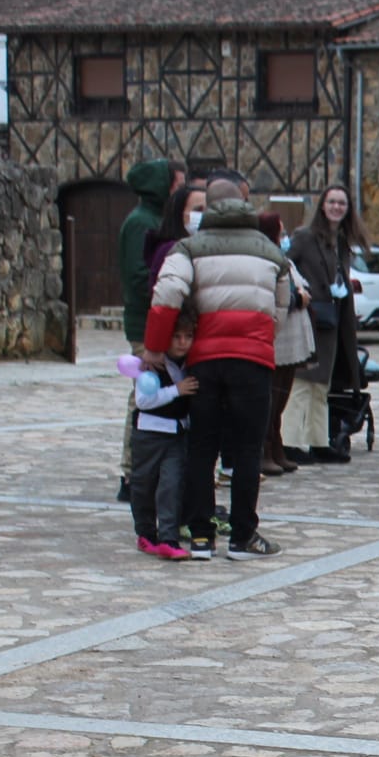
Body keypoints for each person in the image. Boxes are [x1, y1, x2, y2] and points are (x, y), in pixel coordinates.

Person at [144, 177, 292, 561]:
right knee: (246, 450)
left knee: (201, 448)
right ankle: (243, 536)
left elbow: (166, 296)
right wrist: (261, 337)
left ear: (207, 208)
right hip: (253, 362)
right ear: (245, 204)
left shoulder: (189, 248)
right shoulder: (271, 251)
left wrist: (156, 347)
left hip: (204, 363)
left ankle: (200, 537)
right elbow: (281, 306)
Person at [115, 158, 187, 501]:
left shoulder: (158, 220)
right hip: (145, 320)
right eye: (177, 183)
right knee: (143, 394)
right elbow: (138, 275)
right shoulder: (140, 222)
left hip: (163, 318)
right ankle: (132, 472)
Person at [283, 184, 366, 465]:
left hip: (333, 322)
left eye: (341, 203)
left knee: (322, 385)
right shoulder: (305, 237)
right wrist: (299, 293)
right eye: (332, 202)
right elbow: (285, 266)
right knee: (302, 383)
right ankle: (290, 442)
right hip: (310, 319)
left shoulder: (341, 241)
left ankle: (318, 440)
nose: (336, 207)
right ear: (322, 205)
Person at [128, 312, 198, 561]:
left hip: (177, 434)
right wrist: (175, 391)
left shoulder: (190, 364)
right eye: (176, 337)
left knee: (171, 484)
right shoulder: (151, 365)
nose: (182, 343)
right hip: (149, 433)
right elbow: (143, 400)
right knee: (144, 484)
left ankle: (169, 537)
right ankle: (146, 533)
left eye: (188, 337)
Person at [257, 210, 314, 478]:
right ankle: (266, 449)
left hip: (292, 341)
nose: (285, 237)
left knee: (281, 398)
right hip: (278, 341)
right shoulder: (266, 259)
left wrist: (303, 294)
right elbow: (278, 295)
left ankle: (276, 446)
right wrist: (298, 298)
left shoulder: (284, 259)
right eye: (280, 232)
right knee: (271, 398)